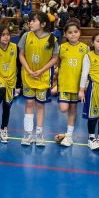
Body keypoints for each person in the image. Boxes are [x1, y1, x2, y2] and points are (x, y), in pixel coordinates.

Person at [19, 12, 60, 146]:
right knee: (29, 104)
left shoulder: (52, 39)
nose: (30, 23)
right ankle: (28, 133)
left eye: (33, 20)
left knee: (40, 105)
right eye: (30, 21)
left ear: (42, 24)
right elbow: (21, 55)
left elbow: (55, 58)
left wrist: (41, 70)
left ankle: (39, 134)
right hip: (28, 75)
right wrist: (29, 70)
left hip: (43, 76)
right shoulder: (26, 36)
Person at [53, 20, 88, 148]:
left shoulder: (85, 48)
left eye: (75, 32)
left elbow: (87, 68)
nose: (73, 35)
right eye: (70, 32)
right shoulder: (62, 48)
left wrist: (83, 87)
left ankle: (68, 136)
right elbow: (56, 64)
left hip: (77, 86)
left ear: (80, 32)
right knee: (63, 109)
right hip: (64, 84)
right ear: (65, 34)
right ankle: (67, 134)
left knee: (72, 110)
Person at [0, 23, 19, 143]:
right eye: (3, 35)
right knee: (1, 91)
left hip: (12, 79)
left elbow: (18, 65)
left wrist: (19, 83)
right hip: (0, 77)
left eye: (7, 34)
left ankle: (3, 129)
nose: (6, 37)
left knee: (7, 107)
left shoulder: (14, 47)